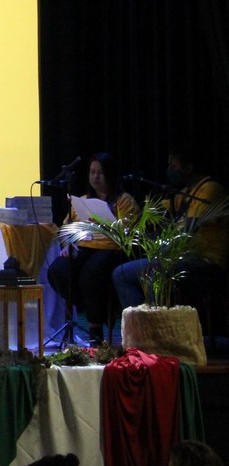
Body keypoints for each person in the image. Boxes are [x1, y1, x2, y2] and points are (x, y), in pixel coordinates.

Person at [112, 146, 228, 310]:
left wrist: (160, 256)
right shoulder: (184, 193)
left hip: (206, 261)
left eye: (173, 166)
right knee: (122, 274)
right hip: (180, 260)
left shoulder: (209, 189)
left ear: (188, 168)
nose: (169, 170)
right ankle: (140, 322)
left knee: (155, 275)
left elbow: (186, 232)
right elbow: (159, 212)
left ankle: (158, 322)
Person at [47, 153, 137, 342]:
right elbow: (66, 227)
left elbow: (127, 232)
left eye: (100, 172)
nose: (95, 177)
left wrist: (104, 223)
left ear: (110, 174)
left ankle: (95, 328)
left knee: (91, 273)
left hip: (110, 248)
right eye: (92, 172)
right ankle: (92, 309)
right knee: (57, 271)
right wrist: (69, 244)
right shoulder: (82, 201)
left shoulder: (124, 201)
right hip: (83, 246)